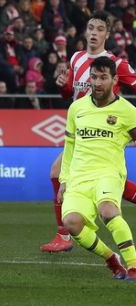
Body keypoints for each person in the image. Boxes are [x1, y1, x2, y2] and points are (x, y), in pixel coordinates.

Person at [41, 11, 136, 252]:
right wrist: (62, 86)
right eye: (91, 28)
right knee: (106, 183)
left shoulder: (116, 64)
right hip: (80, 128)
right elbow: (70, 94)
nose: (94, 33)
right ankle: (64, 233)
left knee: (57, 170)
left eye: (99, 29)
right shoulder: (76, 58)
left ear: (107, 33)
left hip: (105, 132)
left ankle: (63, 235)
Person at [59, 56, 136, 280]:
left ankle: (133, 264)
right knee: (72, 224)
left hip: (109, 173)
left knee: (108, 211)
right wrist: (64, 180)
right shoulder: (76, 109)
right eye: (94, 77)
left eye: (103, 77)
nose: (98, 83)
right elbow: (69, 146)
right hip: (79, 176)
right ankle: (111, 258)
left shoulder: (127, 111)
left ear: (114, 79)